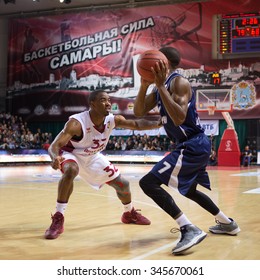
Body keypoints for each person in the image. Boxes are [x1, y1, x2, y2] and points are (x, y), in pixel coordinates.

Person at [133, 46, 240, 255]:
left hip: (193, 143)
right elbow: (138, 111)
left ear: (162, 62)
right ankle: (227, 223)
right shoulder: (160, 87)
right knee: (189, 190)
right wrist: (145, 85)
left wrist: (160, 88)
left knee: (148, 183)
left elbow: (180, 117)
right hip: (190, 145)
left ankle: (188, 228)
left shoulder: (177, 82)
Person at [45, 90, 162, 239]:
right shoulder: (77, 122)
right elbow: (54, 146)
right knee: (71, 170)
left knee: (123, 185)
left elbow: (137, 124)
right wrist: (55, 157)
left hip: (92, 157)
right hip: (71, 154)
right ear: (92, 103)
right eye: (103, 100)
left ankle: (128, 213)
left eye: (109, 100)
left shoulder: (113, 120)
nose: (108, 103)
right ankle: (58, 217)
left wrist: (158, 123)